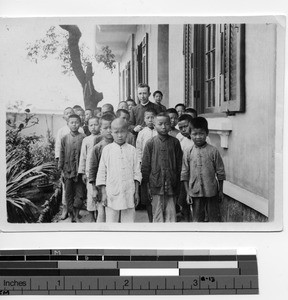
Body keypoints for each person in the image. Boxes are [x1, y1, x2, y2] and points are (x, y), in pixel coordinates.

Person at [96, 119, 141, 223]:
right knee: (111, 222)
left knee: (129, 222)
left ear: (127, 132)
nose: (120, 135)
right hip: (112, 191)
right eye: (116, 132)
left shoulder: (132, 150)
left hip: (129, 191)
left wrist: (136, 193)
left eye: (122, 131)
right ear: (111, 132)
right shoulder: (107, 150)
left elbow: (137, 172)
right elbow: (102, 172)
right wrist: (103, 193)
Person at [181, 117, 226, 222]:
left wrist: (221, 191)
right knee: (197, 219)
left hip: (212, 191)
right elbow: (184, 173)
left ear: (207, 133)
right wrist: (188, 193)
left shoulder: (213, 151)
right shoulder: (188, 151)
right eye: (194, 134)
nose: (198, 137)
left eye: (201, 134)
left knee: (214, 218)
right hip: (195, 192)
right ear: (190, 134)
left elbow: (220, 172)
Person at [141, 113, 183, 222]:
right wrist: (146, 186)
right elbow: (145, 166)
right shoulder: (150, 143)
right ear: (154, 126)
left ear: (170, 125)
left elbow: (179, 165)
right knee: (157, 215)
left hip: (171, 184)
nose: (164, 127)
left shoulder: (175, 142)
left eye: (166, 124)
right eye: (160, 124)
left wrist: (178, 184)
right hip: (155, 184)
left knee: (171, 215)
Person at [58, 114, 86, 222]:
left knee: (80, 193)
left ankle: (77, 214)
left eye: (76, 122)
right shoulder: (64, 138)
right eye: (72, 122)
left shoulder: (84, 137)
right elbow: (61, 154)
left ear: (80, 123)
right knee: (68, 194)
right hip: (68, 171)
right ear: (68, 124)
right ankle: (71, 215)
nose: (74, 125)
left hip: (80, 171)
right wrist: (61, 170)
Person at [89, 113, 115, 223]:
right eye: (106, 128)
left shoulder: (120, 146)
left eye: (111, 127)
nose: (109, 130)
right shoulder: (97, 148)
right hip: (101, 187)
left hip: (115, 185)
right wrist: (94, 189)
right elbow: (92, 169)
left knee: (114, 214)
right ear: (100, 129)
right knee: (102, 214)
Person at [135, 108, 158, 222]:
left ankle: (159, 217)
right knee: (147, 191)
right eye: (148, 118)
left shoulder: (159, 131)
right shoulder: (142, 133)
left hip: (158, 163)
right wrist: (140, 162)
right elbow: (139, 149)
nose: (150, 120)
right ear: (144, 119)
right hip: (146, 164)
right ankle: (150, 218)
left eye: (152, 117)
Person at [78, 117, 101, 222]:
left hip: (100, 169)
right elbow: (83, 156)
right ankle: (92, 216)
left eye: (96, 124)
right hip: (89, 171)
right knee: (91, 194)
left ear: (100, 125)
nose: (93, 127)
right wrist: (82, 172)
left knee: (101, 193)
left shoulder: (103, 138)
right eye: (91, 125)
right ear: (88, 126)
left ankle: (101, 215)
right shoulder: (86, 140)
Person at [54, 107, 75, 220]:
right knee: (65, 188)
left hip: (75, 164)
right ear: (64, 117)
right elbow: (58, 147)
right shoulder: (61, 131)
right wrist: (59, 163)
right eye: (66, 113)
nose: (69, 115)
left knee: (75, 188)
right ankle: (65, 209)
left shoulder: (79, 130)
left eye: (71, 113)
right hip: (66, 164)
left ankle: (74, 211)